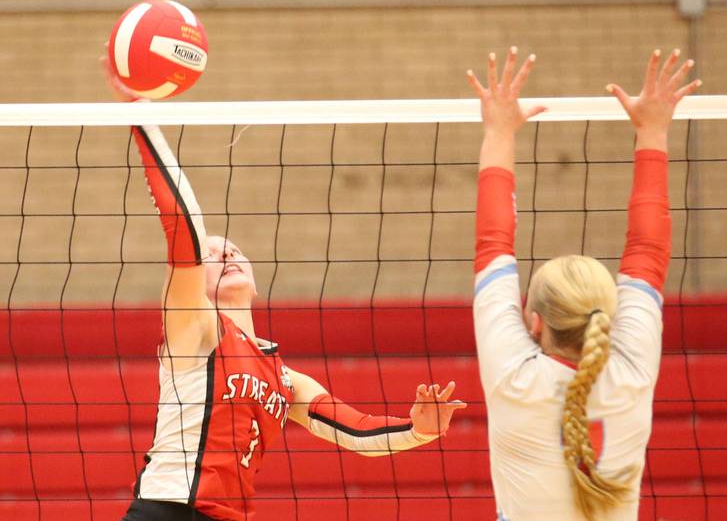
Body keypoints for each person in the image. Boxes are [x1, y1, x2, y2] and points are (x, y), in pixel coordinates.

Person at [103, 67, 467, 521]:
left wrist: (419, 431)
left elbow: (356, 431)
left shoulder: (285, 378)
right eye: (214, 255)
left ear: (256, 282)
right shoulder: (195, 327)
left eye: (233, 248)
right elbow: (184, 229)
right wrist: (141, 116)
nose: (227, 252)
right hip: (167, 510)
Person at [467, 47, 701, 521]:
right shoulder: (630, 372)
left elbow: (495, 243)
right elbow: (647, 254)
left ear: (534, 323)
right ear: (608, 318)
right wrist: (654, 130)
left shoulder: (514, 377)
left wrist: (498, 133)